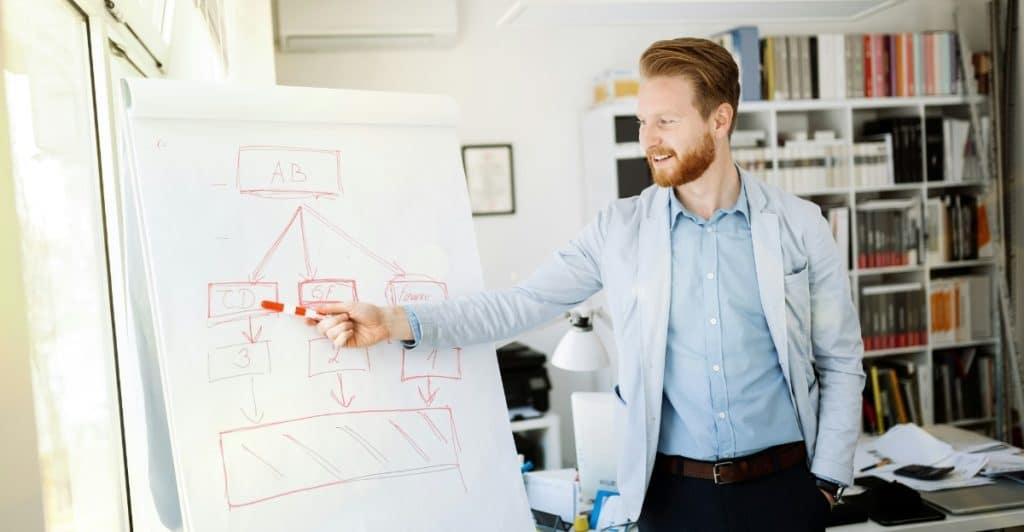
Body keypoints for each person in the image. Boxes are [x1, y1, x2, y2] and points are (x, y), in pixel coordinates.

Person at [311, 37, 865, 531]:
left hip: (785, 495)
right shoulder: (619, 230)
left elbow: (839, 361)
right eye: (642, 121)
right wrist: (395, 321)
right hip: (670, 501)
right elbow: (520, 304)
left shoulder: (798, 225)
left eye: (665, 121)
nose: (648, 139)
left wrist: (827, 486)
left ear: (719, 120)